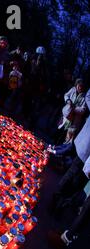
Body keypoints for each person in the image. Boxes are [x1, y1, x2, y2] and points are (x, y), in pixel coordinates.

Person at [51, 89, 90, 221]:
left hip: (85, 150)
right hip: (85, 149)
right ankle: (56, 201)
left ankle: (61, 205)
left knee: (78, 182)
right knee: (72, 175)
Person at [57, 79, 88, 144]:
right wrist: (68, 100)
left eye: (81, 87)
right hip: (67, 114)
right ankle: (54, 146)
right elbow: (66, 95)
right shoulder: (73, 89)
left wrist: (74, 108)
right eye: (78, 86)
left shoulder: (84, 96)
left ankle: (59, 150)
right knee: (60, 130)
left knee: (67, 136)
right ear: (76, 85)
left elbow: (83, 110)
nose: (79, 88)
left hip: (74, 120)